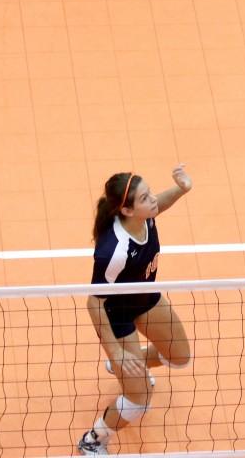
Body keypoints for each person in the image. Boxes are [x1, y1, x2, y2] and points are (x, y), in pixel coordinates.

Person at [78, 165, 193, 455]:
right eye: (145, 198)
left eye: (150, 193)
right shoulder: (113, 251)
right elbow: (94, 302)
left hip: (145, 299)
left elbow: (160, 205)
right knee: (139, 398)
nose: (153, 200)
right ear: (127, 211)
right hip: (117, 317)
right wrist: (117, 352)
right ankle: (93, 440)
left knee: (178, 357)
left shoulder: (146, 216)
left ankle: (129, 365)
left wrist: (181, 189)